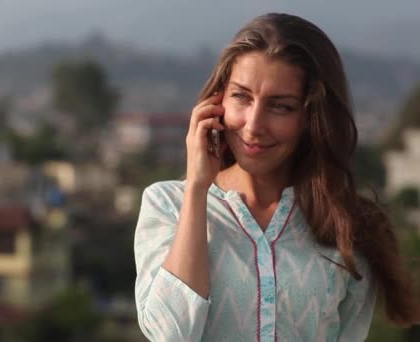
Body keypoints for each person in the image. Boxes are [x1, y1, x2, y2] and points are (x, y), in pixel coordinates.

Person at [134, 12, 420, 341]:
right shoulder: (167, 205)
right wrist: (197, 190)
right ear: (218, 100)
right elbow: (170, 335)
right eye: (241, 96)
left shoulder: (345, 224)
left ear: (311, 118)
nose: (254, 125)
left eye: (280, 106)